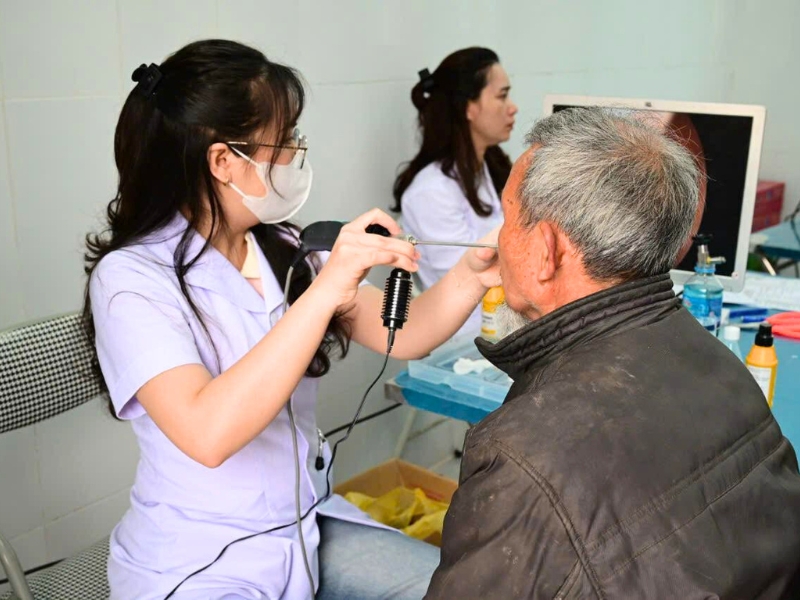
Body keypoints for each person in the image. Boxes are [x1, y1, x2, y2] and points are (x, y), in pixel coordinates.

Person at [82, 39, 500, 600]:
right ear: (224, 161)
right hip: (198, 558)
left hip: (303, 525)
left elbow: (405, 332)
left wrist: (474, 273)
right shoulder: (130, 280)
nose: (298, 153)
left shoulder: (282, 245)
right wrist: (325, 290)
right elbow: (207, 432)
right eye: (285, 141)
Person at [425, 108, 800, 599]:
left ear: (546, 250)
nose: (498, 240)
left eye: (508, 219)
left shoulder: (523, 458)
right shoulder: (715, 358)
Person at [393, 47, 517, 336]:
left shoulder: (489, 169)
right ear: (469, 108)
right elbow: (466, 284)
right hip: (463, 341)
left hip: (500, 329)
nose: (513, 108)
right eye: (502, 96)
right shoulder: (431, 192)